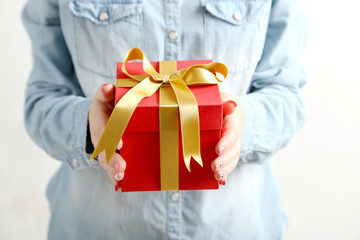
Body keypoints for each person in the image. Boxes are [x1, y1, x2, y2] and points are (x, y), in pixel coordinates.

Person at [22, 0, 307, 239]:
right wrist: (89, 128)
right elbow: (42, 100)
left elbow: (286, 94)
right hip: (97, 227)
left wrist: (244, 126)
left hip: (236, 226)